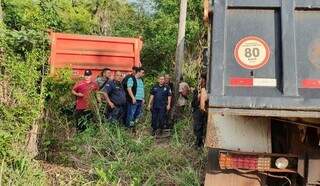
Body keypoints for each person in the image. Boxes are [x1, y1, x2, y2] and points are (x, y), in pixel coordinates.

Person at [192, 73, 208, 147]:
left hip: (205, 111)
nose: (201, 80)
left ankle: (200, 143)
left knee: (202, 127)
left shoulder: (207, 90)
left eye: (202, 79)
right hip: (197, 111)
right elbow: (193, 103)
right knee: (197, 127)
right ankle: (198, 143)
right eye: (200, 79)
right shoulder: (197, 90)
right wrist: (198, 98)